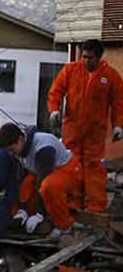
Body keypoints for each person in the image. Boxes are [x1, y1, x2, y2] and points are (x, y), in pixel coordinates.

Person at [48, 39, 123, 212]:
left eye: (90, 57)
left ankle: (95, 204)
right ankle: (73, 201)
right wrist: (54, 110)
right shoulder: (71, 70)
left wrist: (119, 125)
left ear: (99, 57)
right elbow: (56, 92)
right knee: (71, 164)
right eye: (84, 57)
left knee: (93, 166)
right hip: (72, 128)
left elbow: (118, 103)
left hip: (95, 130)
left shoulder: (110, 75)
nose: (86, 61)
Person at [0, 123, 83, 238]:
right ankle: (23, 214)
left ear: (20, 140)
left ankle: (64, 225)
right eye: (7, 151)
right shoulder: (21, 147)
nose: (10, 154)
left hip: (68, 170)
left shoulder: (43, 149)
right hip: (42, 170)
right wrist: (22, 209)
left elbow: (42, 181)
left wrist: (39, 214)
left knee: (49, 187)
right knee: (25, 184)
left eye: (11, 150)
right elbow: (20, 177)